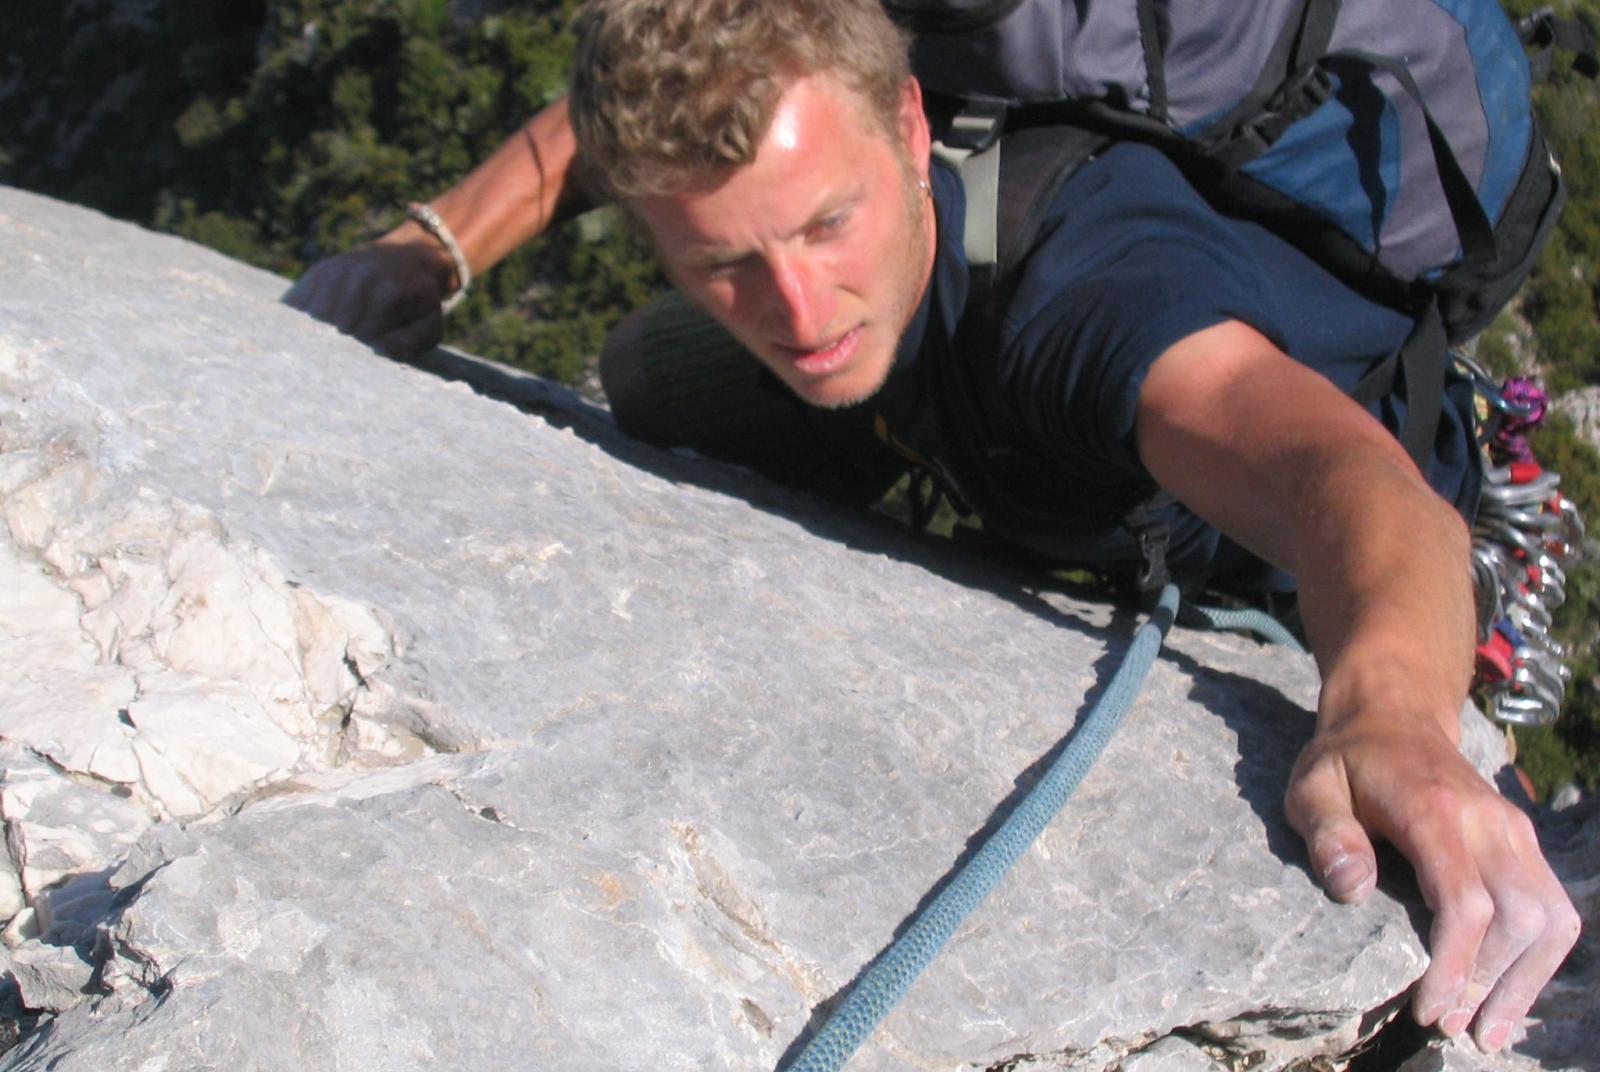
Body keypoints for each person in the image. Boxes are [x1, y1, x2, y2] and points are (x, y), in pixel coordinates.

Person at [285, 0, 1580, 1053]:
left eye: (825, 225)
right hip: (986, 412)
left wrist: (1393, 720)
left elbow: (1348, 487)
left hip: (1304, 566)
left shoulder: (1087, 303)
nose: (796, 308)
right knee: (653, 374)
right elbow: (613, 127)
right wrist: (433, 250)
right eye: (723, 264)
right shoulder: (806, 156)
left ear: (910, 124)